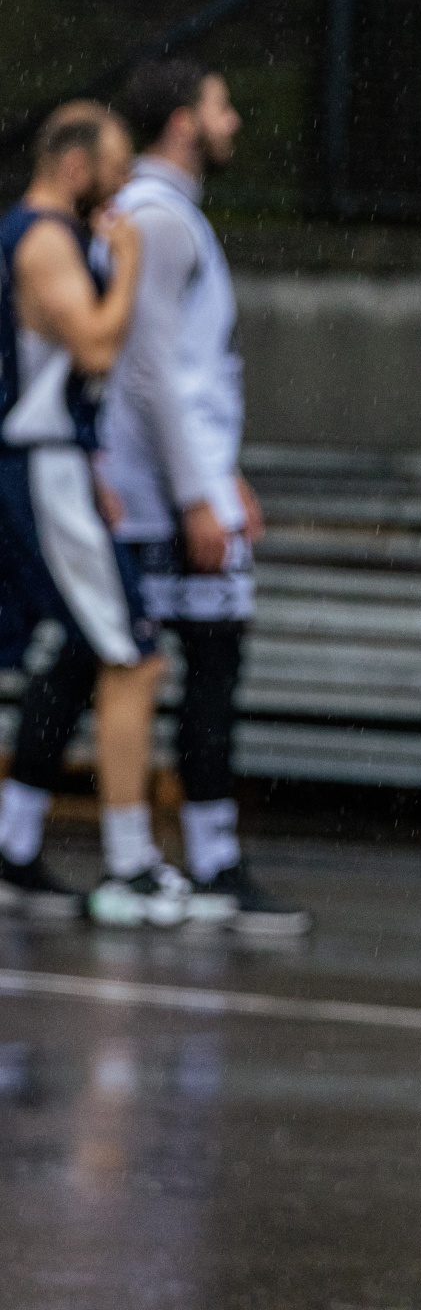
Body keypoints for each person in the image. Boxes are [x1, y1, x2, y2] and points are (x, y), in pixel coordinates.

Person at [0, 103, 195, 926]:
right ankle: (130, 864)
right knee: (136, 657)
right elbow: (96, 347)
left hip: (58, 462)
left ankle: (14, 845)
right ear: (74, 166)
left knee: (86, 649)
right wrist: (130, 265)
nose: (121, 191)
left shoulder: (43, 236)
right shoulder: (46, 240)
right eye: (115, 171)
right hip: (41, 463)